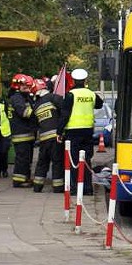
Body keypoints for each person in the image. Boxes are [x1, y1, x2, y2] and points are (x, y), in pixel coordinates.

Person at [57, 68, 103, 196]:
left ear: (73, 81)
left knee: (74, 161)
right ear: (85, 81)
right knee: (86, 160)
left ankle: (75, 188)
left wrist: (59, 132)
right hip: (88, 131)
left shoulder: (70, 95)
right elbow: (99, 104)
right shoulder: (91, 94)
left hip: (73, 132)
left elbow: (64, 115)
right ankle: (88, 189)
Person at [32, 78, 65, 193]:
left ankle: (37, 186)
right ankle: (58, 187)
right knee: (57, 162)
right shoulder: (52, 97)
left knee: (42, 162)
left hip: (43, 139)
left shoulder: (35, 105)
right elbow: (64, 107)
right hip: (55, 137)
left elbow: (35, 123)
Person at [8, 73, 37, 187]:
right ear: (17, 86)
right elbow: (25, 113)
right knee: (22, 159)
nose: (27, 88)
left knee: (27, 159)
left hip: (27, 133)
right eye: (24, 86)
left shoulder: (24, 97)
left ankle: (25, 178)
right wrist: (37, 110)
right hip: (21, 134)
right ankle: (19, 181)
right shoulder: (17, 98)